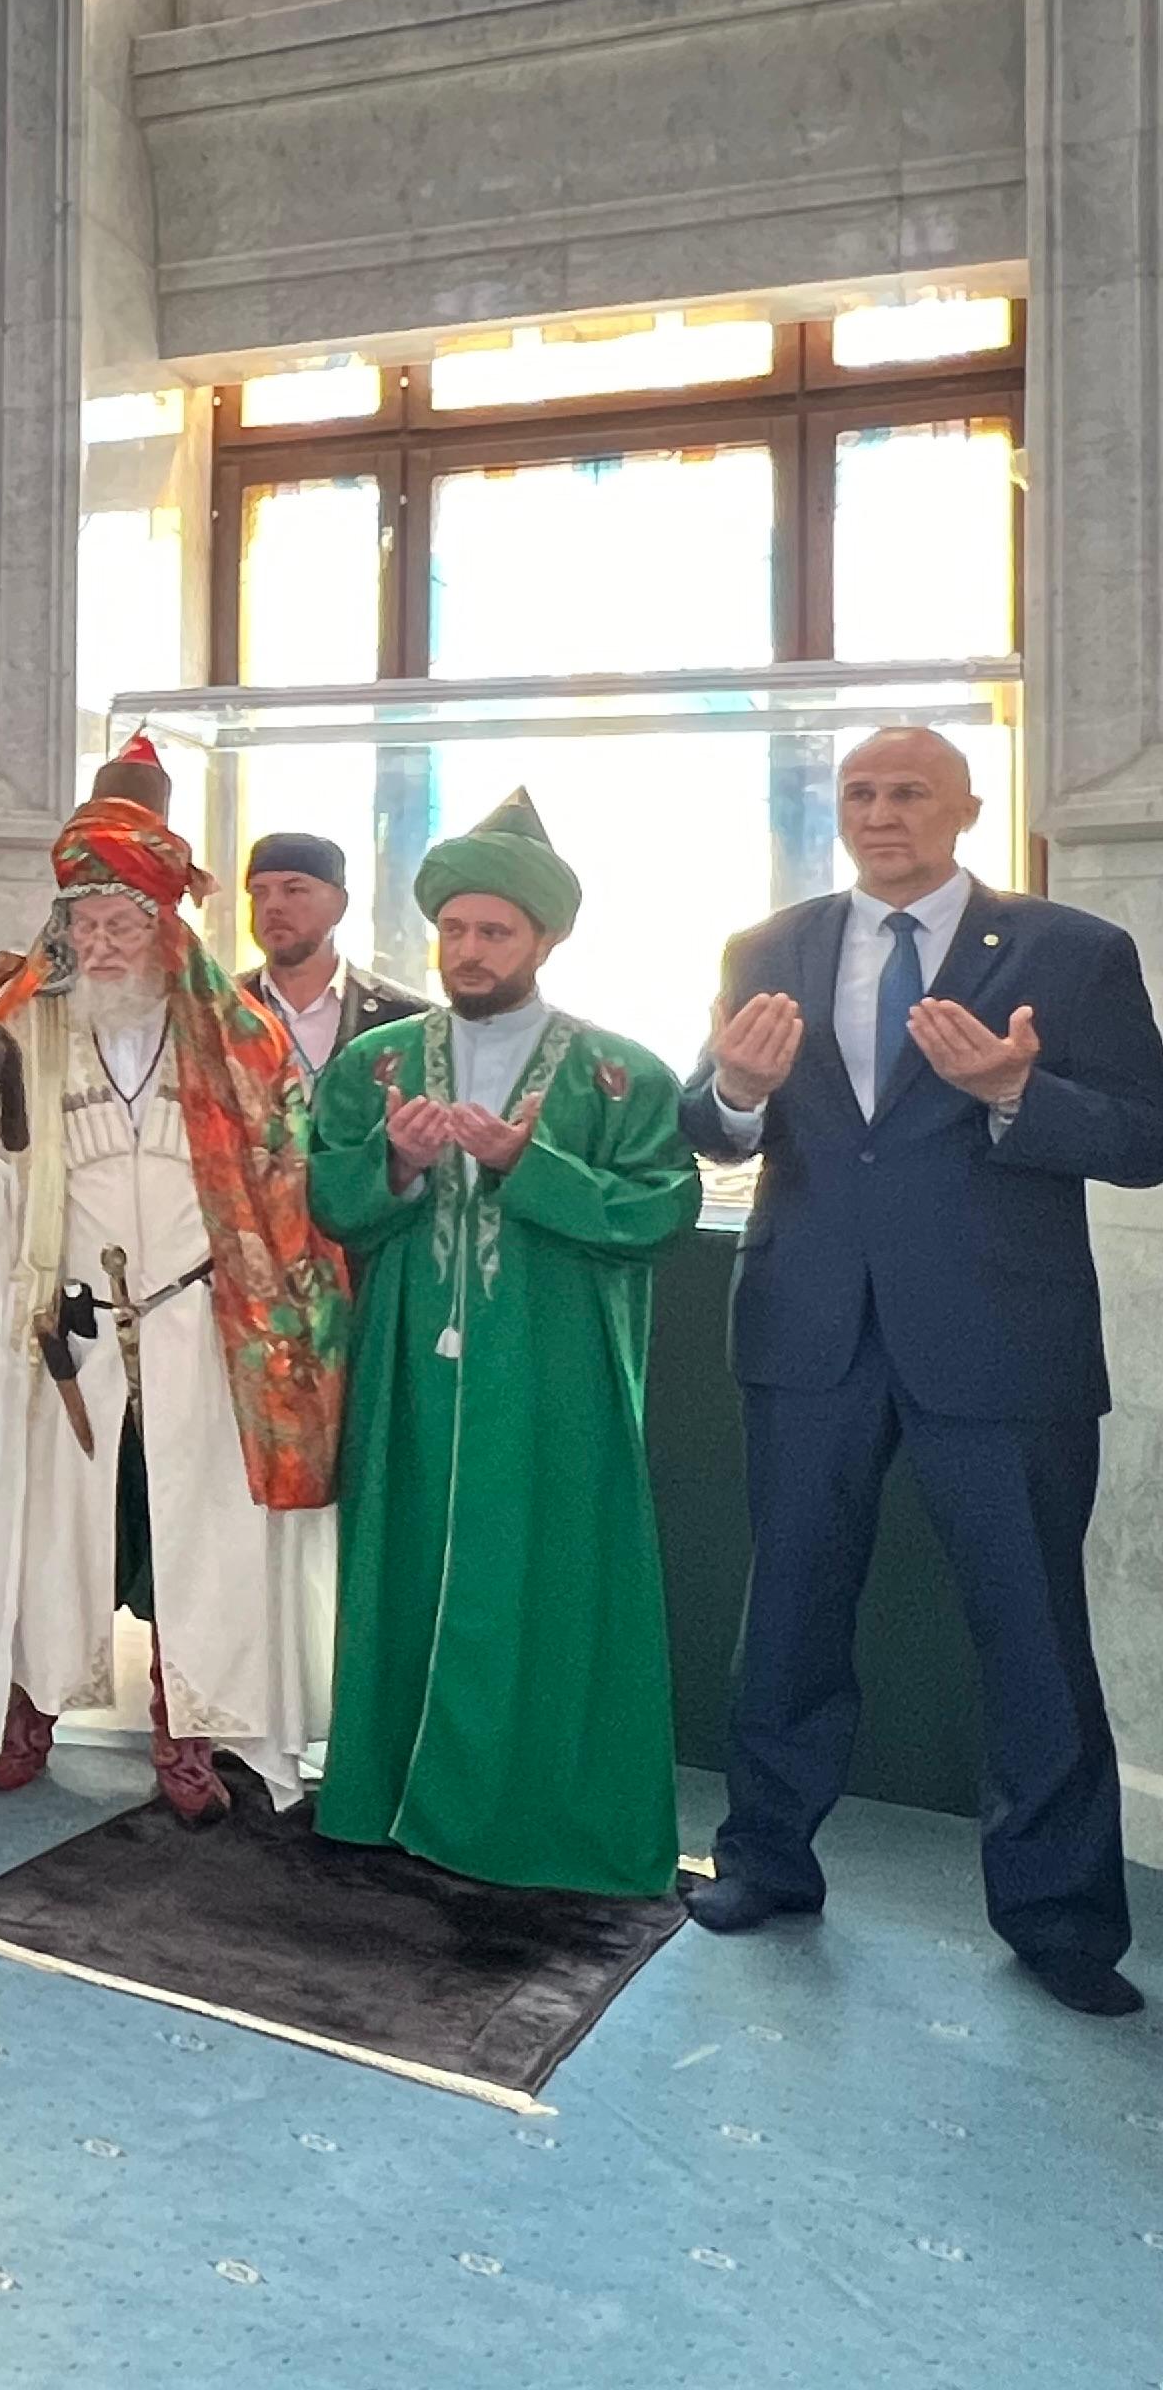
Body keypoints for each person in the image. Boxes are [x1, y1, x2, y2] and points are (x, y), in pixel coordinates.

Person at [682, 726, 1163, 2018]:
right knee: (789, 1609)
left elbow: (1148, 1134)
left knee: (1031, 1631)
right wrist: (733, 1091)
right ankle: (766, 1861)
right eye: (860, 792)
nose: (881, 812)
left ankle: (1061, 1919)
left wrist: (1017, 1093)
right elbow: (708, 1120)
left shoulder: (1071, 950)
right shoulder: (766, 947)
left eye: (909, 792)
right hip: (809, 1331)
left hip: (1001, 1342)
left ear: (967, 808)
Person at [0, 751, 348, 1820]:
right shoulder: (25, 1025)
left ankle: (187, 1731)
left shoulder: (238, 1039)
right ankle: (30, 1708)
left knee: (198, 1537)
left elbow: (280, 1189)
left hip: (202, 1325)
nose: (100, 945)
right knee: (54, 1526)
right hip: (68, 1326)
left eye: (121, 923)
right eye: (83, 924)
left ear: (166, 925)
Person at [305, 793, 696, 1895]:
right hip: (408, 1374)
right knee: (404, 1569)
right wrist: (395, 1163)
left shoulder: (621, 1072)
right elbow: (329, 1200)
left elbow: (659, 1210)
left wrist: (532, 1166)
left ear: (545, 939)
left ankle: (530, 1819)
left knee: (545, 1582)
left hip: (552, 1375)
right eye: (454, 929)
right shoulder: (377, 1064)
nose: (469, 951)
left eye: (495, 932)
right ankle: (385, 1800)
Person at [239, 832, 430, 1076]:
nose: (272, 906)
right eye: (259, 893)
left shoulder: (406, 1018)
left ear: (340, 904)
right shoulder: (217, 1009)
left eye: (294, 890)